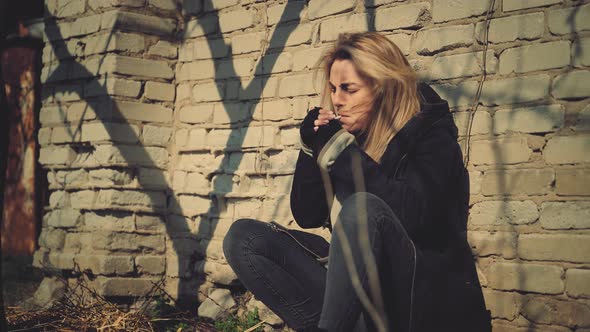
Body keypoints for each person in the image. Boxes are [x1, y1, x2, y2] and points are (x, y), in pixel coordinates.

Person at [223, 32, 491, 332]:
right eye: (333, 88)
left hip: (424, 306)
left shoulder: (432, 136)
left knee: (362, 211)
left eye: (349, 89)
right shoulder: (355, 138)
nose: (337, 100)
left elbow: (417, 217)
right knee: (244, 239)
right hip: (364, 302)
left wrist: (342, 153)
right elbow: (309, 215)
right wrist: (311, 149)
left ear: (384, 89)